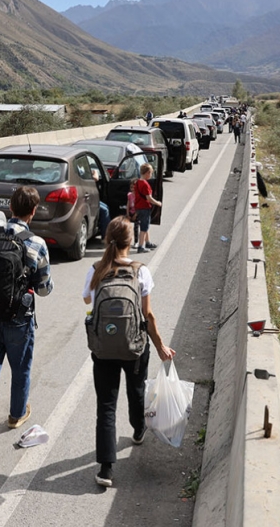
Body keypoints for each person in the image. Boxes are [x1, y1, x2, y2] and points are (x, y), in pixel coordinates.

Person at [82, 216, 175, 487]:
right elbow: (148, 315)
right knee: (136, 391)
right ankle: (137, 429)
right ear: (131, 241)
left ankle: (106, 470)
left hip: (103, 349)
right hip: (135, 347)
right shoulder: (140, 271)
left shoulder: (95, 269)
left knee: (106, 405)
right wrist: (160, 346)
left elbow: (87, 300)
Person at [0, 186, 53, 469]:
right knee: (20, 368)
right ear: (32, 211)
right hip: (18, 320)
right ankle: (17, 415)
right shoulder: (36, 243)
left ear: (10, 209)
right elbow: (43, 290)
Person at [133, 163, 162, 253]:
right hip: (144, 207)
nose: (151, 175)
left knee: (145, 224)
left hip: (138, 206)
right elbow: (149, 198)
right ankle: (141, 246)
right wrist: (158, 203)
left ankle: (147, 242)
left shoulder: (137, 182)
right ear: (147, 173)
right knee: (144, 227)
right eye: (151, 173)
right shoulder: (145, 185)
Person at [126, 178, 140, 244]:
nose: (132, 188)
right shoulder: (129, 195)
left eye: (134, 186)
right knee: (126, 226)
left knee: (136, 227)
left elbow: (139, 206)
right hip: (131, 212)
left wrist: (135, 214)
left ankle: (136, 241)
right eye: (131, 186)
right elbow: (128, 205)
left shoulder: (138, 196)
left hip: (137, 213)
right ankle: (126, 240)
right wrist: (128, 214)